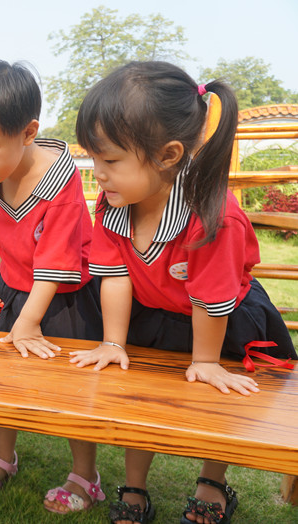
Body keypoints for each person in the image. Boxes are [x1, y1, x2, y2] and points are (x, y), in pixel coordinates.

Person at [70, 61, 297, 524]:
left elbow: (211, 299)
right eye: (93, 159)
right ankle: (134, 489)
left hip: (220, 320)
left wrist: (207, 361)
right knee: (138, 397)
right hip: (152, 313)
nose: (97, 174)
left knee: (215, 400)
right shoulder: (114, 204)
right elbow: (115, 276)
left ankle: (211, 485)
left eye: (109, 160)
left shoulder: (214, 217)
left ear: (169, 154)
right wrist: (114, 342)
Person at [0, 60, 104, 515]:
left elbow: (55, 264)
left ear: (29, 131)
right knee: (2, 381)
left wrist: (29, 323)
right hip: (19, 292)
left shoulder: (61, 182)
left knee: (75, 392)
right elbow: (0, 233)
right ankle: (3, 457)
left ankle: (85, 475)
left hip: (66, 295)